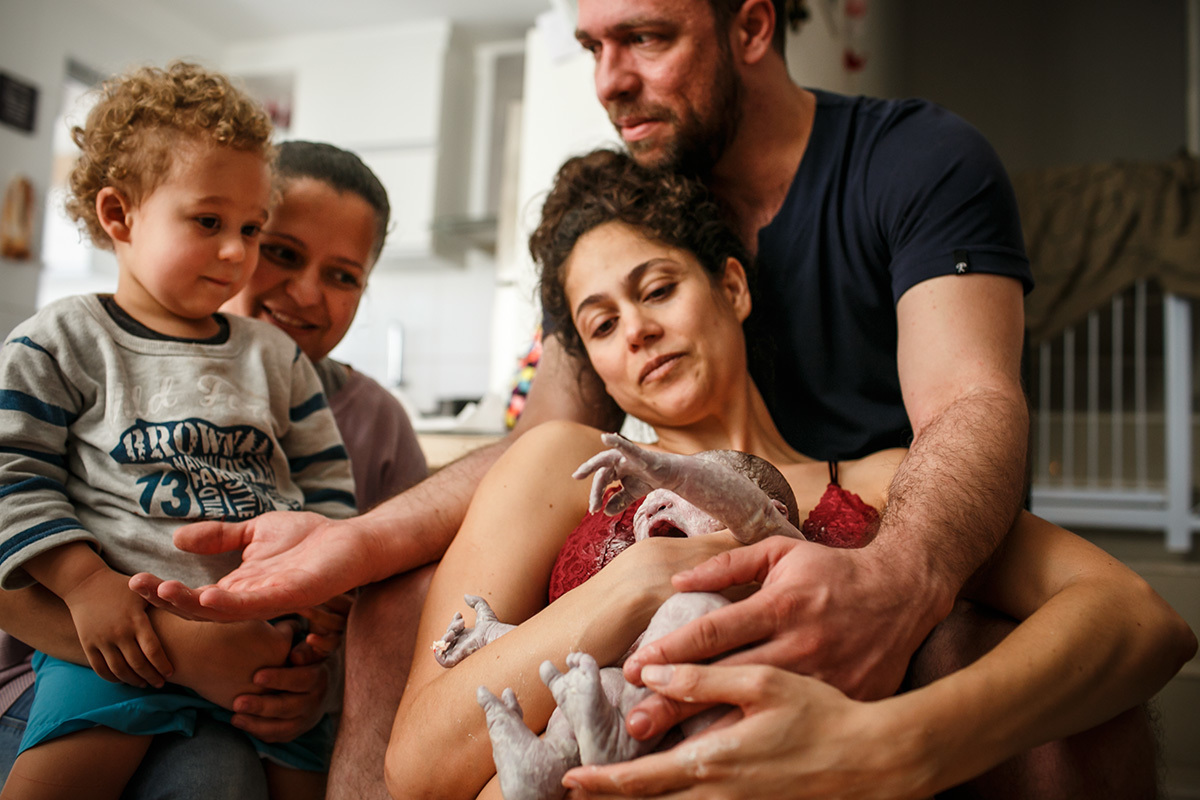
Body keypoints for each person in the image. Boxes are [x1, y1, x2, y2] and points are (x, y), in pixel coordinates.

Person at [140, 0, 1033, 784]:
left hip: (874, 513)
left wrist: (901, 576)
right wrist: (360, 541)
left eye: (645, 38)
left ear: (752, 26)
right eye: (594, 46)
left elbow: (970, 405)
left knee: (990, 660)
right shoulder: (628, 197)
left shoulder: (916, 161)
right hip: (667, 538)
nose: (612, 81)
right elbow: (544, 448)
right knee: (394, 606)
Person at [382, 149, 1195, 799]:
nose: (636, 331)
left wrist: (898, 747)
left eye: (657, 289)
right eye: (601, 324)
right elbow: (418, 762)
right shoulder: (564, 460)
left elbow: (1141, 618)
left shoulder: (884, 483)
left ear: (731, 287)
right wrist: (646, 578)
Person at [0, 139, 428, 797]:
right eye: (280, 252)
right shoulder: (75, 344)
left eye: (344, 276)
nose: (307, 292)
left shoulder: (376, 422)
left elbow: (380, 599)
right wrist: (183, 651)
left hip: (264, 689)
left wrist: (313, 679)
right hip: (74, 665)